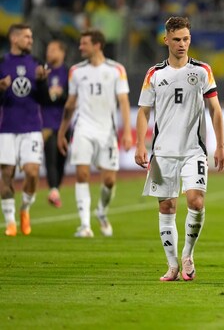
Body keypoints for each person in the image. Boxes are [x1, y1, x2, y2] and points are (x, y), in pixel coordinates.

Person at [135, 16, 224, 282]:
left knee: (196, 201)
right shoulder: (155, 74)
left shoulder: (201, 71)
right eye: (176, 39)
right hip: (162, 152)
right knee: (166, 208)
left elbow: (215, 110)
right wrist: (141, 143)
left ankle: (187, 254)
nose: (182, 44)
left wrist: (220, 145)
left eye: (186, 39)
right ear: (166, 40)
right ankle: (172, 265)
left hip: (193, 151)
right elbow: (143, 112)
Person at [57, 29, 132, 238]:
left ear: (97, 45)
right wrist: (62, 132)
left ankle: (101, 211)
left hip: (106, 131)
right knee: (82, 174)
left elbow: (124, 101)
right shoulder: (76, 71)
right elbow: (70, 104)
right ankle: (84, 225)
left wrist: (127, 132)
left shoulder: (116, 69)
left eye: (84, 44)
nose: (80, 47)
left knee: (109, 181)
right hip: (83, 128)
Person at [0, 23, 49, 237]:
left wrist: (43, 82)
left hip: (31, 127)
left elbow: (44, 99)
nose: (30, 40)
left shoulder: (36, 63)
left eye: (31, 37)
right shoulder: (2, 63)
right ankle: (10, 222)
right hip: (7, 128)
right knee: (6, 175)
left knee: (32, 172)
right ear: (14, 39)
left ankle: (25, 208)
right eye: (27, 37)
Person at [41, 40, 69, 208]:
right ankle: (53, 189)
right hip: (47, 123)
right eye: (48, 49)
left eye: (52, 50)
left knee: (61, 160)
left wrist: (61, 94)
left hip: (65, 124)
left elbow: (72, 98)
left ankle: (56, 189)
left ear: (61, 53)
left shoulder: (68, 72)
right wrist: (48, 93)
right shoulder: (42, 72)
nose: (49, 53)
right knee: (50, 156)